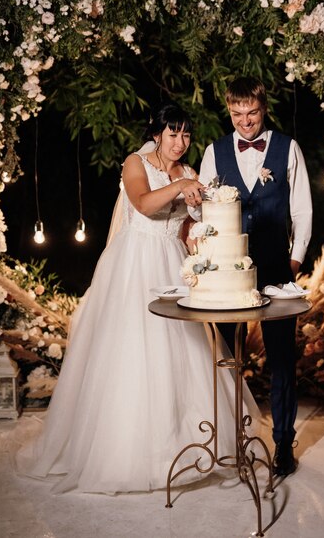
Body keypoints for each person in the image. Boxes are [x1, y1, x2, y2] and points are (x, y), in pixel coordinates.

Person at [16, 102, 255, 494]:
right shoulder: (136, 163)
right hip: (134, 266)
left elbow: (183, 230)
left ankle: (186, 444)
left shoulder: (190, 173)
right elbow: (144, 204)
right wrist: (179, 188)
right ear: (157, 133)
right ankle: (126, 453)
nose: (180, 142)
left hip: (172, 265)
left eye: (186, 135)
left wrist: (198, 226)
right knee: (133, 353)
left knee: (184, 353)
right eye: (173, 134)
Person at [192, 77, 312, 477]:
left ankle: (282, 445)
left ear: (264, 108)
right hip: (227, 275)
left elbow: (303, 212)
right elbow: (202, 211)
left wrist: (292, 264)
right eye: (237, 114)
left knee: (281, 360)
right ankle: (229, 440)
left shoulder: (287, 148)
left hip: (277, 269)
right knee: (225, 359)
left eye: (253, 113)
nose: (245, 122)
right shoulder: (214, 152)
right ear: (229, 111)